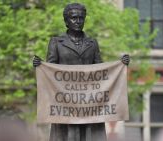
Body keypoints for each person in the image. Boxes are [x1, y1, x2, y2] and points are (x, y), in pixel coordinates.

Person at [33, 3, 130, 141]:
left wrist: (120, 64)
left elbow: (101, 72)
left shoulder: (92, 43)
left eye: (81, 18)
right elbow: (50, 72)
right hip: (66, 106)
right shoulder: (56, 42)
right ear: (66, 21)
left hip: (90, 106)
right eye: (73, 18)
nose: (78, 21)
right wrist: (40, 66)